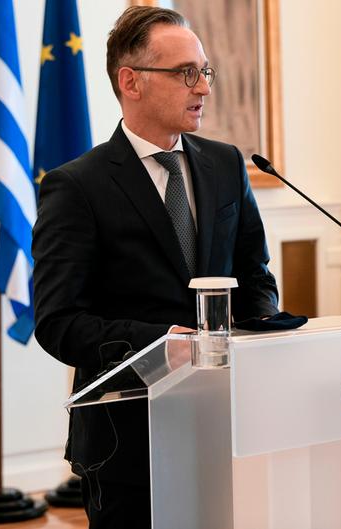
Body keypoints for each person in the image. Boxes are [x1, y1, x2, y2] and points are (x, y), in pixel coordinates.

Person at [32, 6, 279, 528]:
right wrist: (160, 344)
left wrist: (263, 334)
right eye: (185, 73)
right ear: (131, 82)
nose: (203, 88)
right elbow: (57, 322)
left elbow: (254, 277)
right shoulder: (77, 186)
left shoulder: (226, 164)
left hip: (228, 425)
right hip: (127, 442)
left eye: (205, 71)